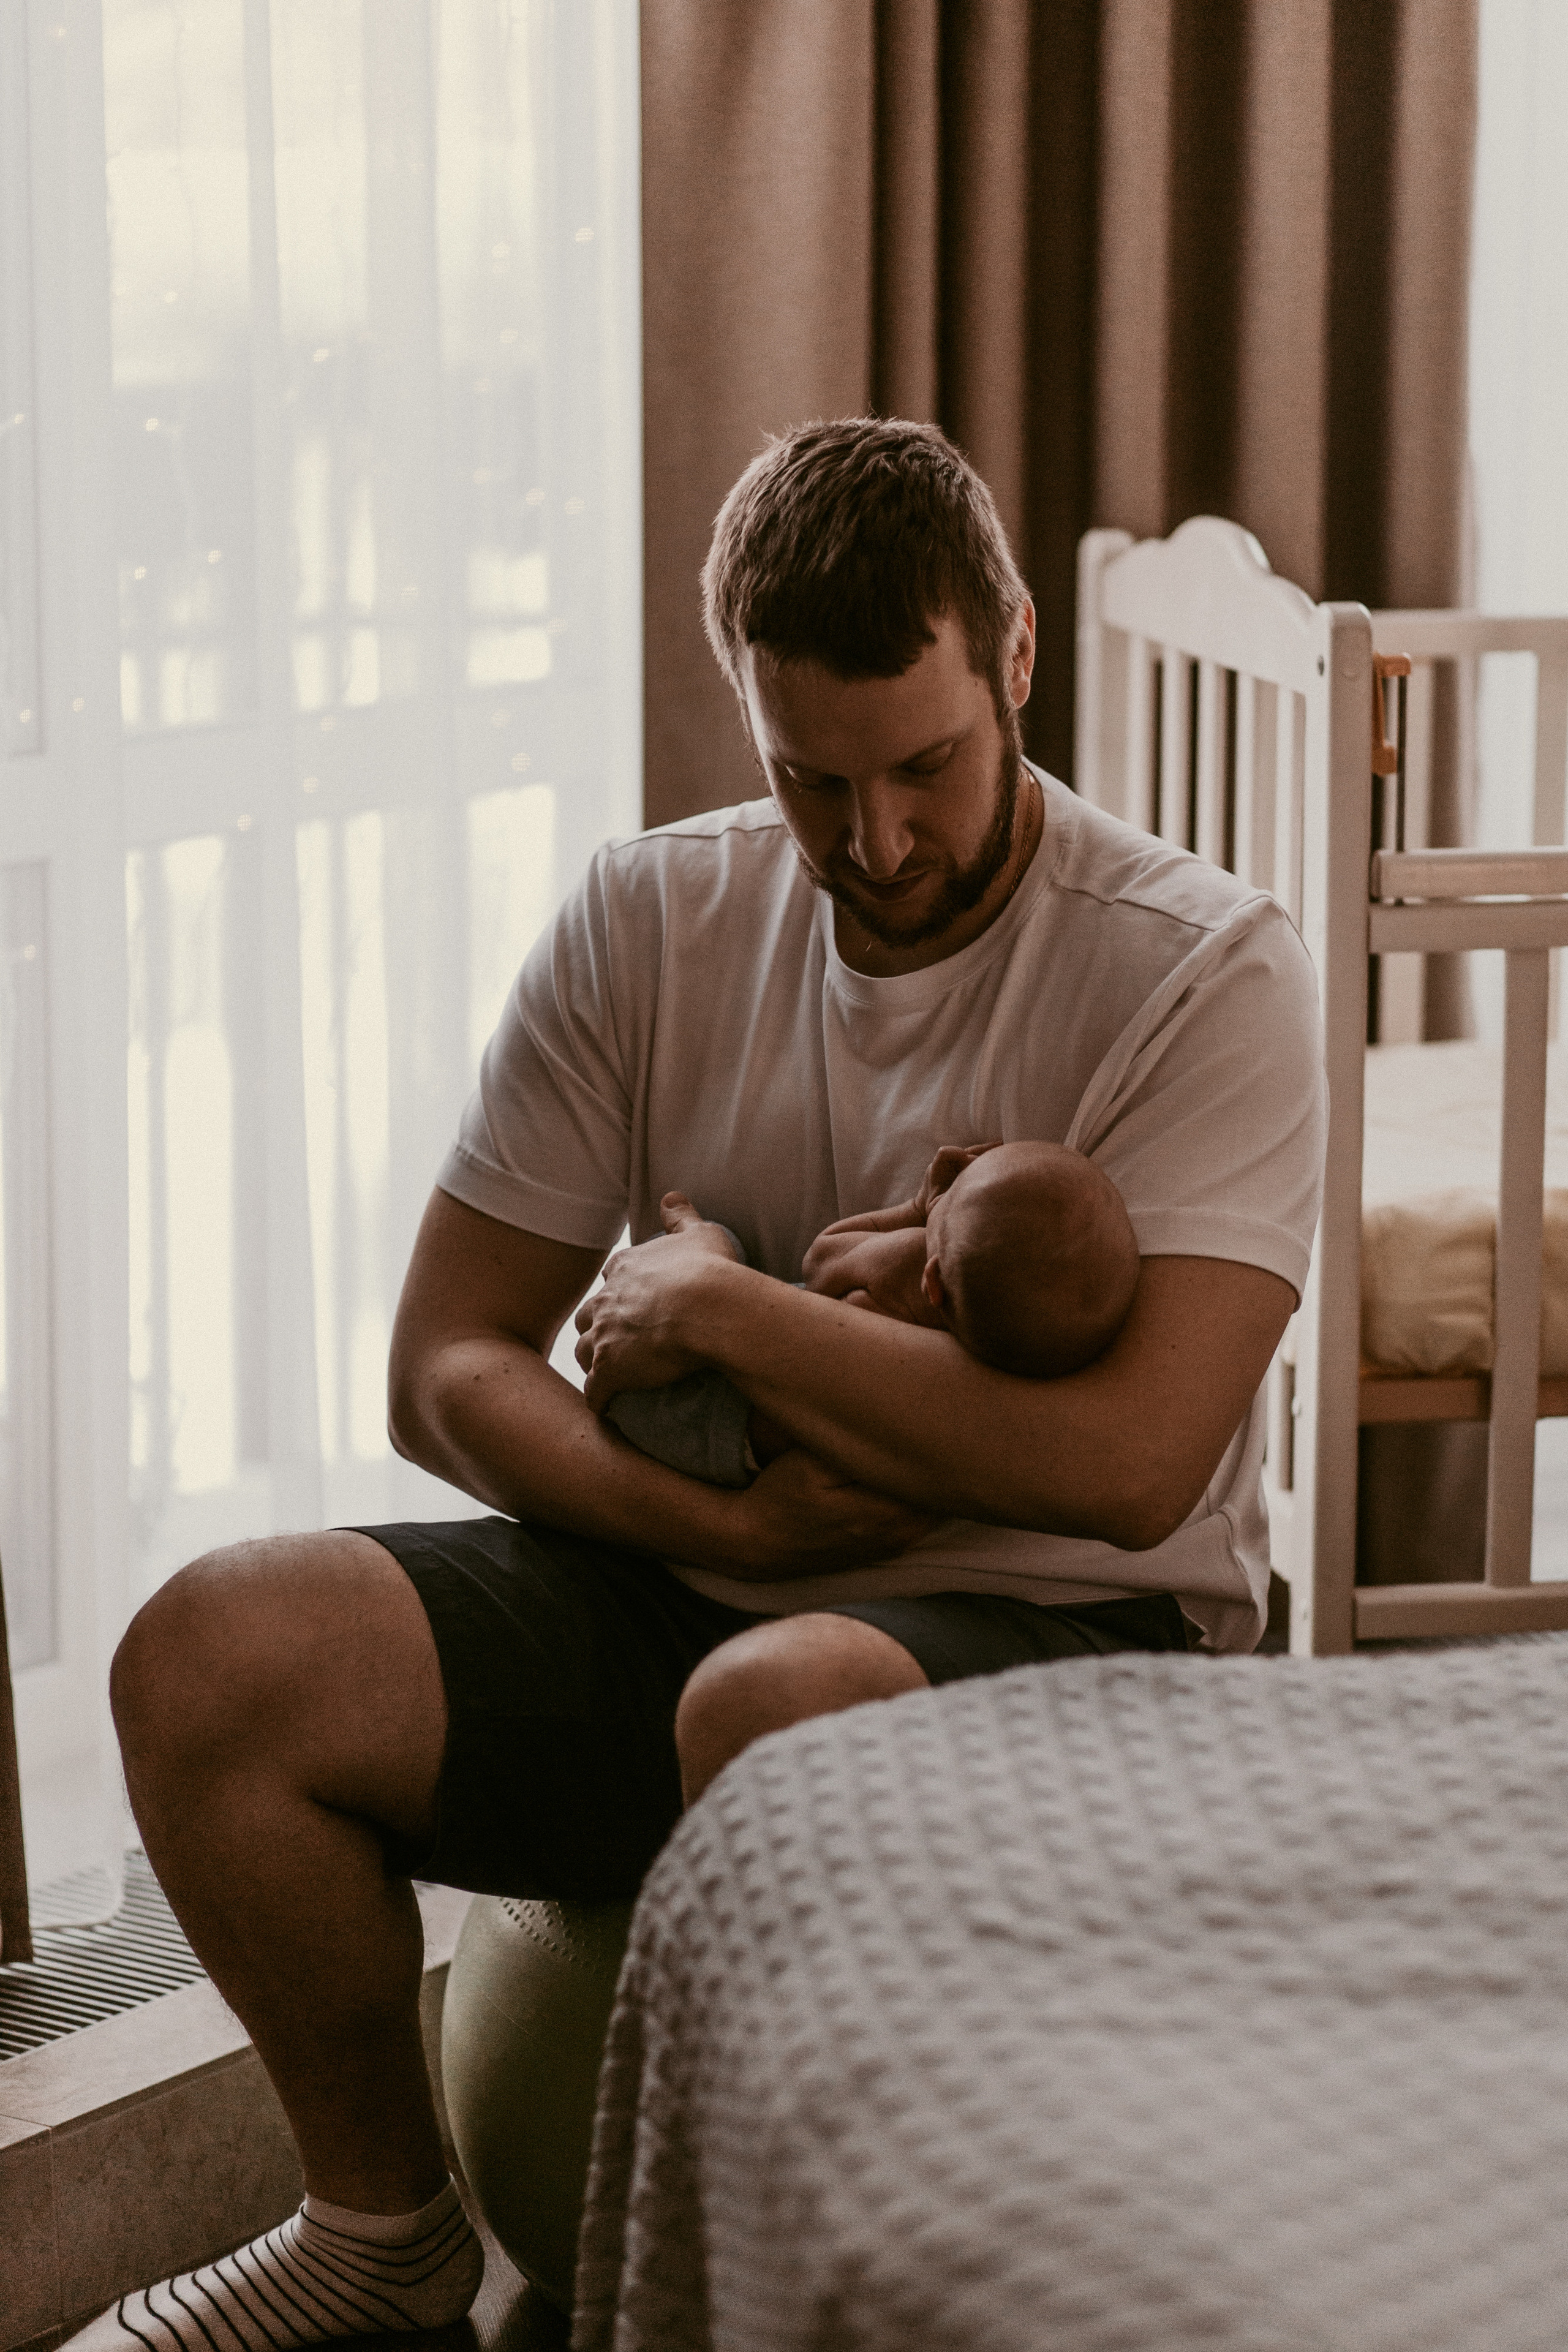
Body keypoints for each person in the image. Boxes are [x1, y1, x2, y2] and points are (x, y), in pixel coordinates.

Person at [88, 417, 1325, 2351]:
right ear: (741, 706)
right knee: (205, 1653)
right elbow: (441, 1363)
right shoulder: (651, 911)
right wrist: (713, 1520)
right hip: (686, 1581)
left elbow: (1127, 1463)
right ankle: (386, 2232)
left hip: (1076, 1636)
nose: (880, 840)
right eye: (811, 781)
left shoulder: (1202, 969)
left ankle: (776, 2309)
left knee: (775, 1693)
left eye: (922, 764)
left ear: (1012, 655)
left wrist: (731, 1319)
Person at [605, 1139, 1142, 1487]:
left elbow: (821, 1261)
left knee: (719, 1244)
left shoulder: (905, 1268)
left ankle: (688, 1240)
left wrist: (916, 1211)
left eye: (958, 1196)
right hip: (738, 1455)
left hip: (684, 1408)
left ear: (934, 1281)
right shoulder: (1001, 1378)